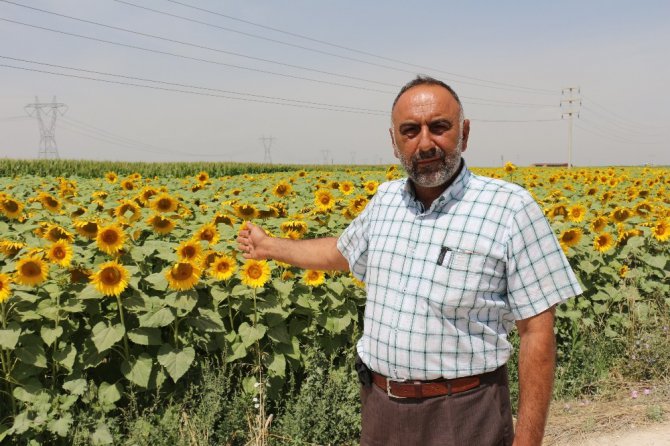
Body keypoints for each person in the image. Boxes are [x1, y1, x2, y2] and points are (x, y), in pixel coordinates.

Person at [237, 75, 582, 446]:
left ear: (464, 133)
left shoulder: (510, 208)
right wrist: (270, 246)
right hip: (382, 409)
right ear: (394, 142)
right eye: (410, 131)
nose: (425, 143)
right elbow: (341, 251)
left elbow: (537, 334)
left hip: (464, 414)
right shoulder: (385, 200)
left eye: (439, 127)